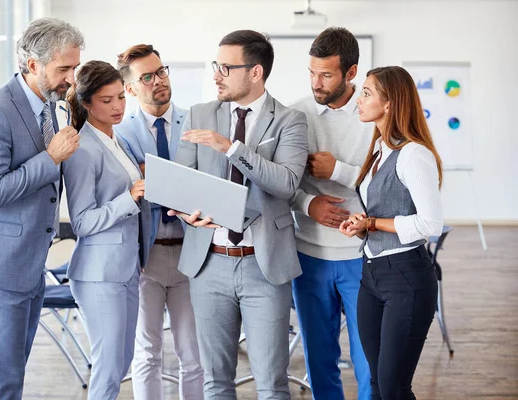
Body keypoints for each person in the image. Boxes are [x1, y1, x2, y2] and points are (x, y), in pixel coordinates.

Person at [170, 30, 308, 399]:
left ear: (255, 72)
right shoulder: (199, 114)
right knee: (215, 382)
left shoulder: (290, 120)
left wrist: (231, 147)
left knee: (272, 384)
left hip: (264, 265)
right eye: (217, 66)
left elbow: (287, 183)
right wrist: (187, 213)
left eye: (226, 67)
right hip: (209, 264)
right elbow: (182, 181)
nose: (216, 74)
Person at [0, 18, 83, 399]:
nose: (70, 78)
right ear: (33, 66)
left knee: (12, 375)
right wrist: (50, 158)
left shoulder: (52, 106)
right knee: (1, 381)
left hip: (28, 264)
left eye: (74, 67)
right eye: (63, 69)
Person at [340, 65, 443, 400]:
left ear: (389, 104)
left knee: (394, 387)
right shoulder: (379, 150)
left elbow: (430, 224)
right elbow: (386, 211)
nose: (359, 98)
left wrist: (373, 224)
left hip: (406, 277)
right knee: (375, 383)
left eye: (367, 92)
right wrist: (361, 226)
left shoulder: (414, 154)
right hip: (372, 274)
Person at [115, 44, 204, 400]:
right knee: (147, 354)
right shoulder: (120, 133)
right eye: (146, 78)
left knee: (193, 356)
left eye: (161, 72)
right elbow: (127, 186)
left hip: (191, 255)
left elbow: (202, 182)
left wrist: (152, 174)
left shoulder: (196, 122)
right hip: (145, 257)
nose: (158, 82)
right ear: (131, 89)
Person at [290, 27, 371, 400]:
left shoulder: (374, 114)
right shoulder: (295, 115)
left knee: (370, 360)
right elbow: (280, 184)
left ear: (350, 73)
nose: (316, 83)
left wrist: (336, 169)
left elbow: (387, 184)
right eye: (312, 73)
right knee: (319, 361)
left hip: (362, 256)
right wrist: (310, 203)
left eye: (326, 75)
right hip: (309, 256)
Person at [64, 60, 152, 400]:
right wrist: (130, 197)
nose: (117, 106)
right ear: (87, 103)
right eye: (106, 100)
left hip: (126, 266)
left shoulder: (116, 139)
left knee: (122, 360)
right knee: (108, 366)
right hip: (99, 272)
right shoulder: (83, 149)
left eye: (120, 97)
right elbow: (83, 222)